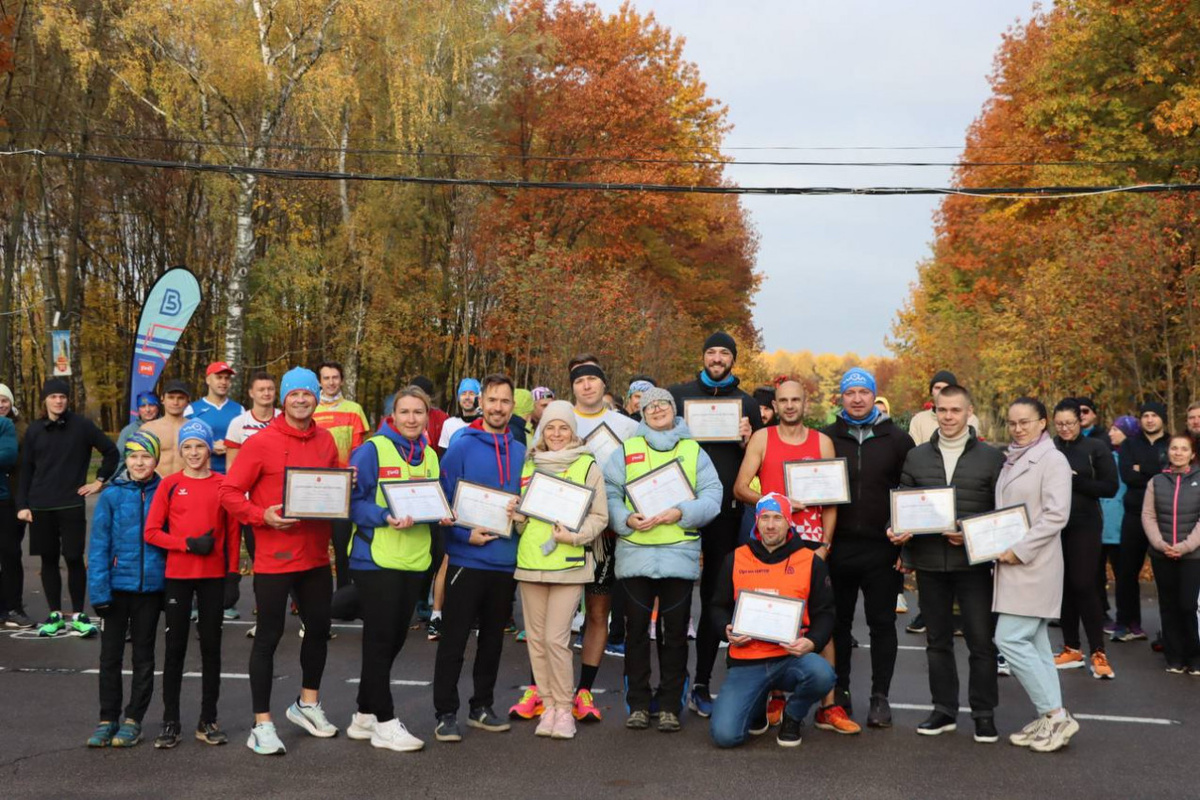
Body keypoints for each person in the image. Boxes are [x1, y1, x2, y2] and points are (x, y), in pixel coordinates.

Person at [219, 367, 341, 756]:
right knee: (269, 637)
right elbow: (229, 492)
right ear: (283, 400)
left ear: (316, 397)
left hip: (316, 555)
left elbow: (336, 484)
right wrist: (262, 516)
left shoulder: (325, 440)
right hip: (274, 556)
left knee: (319, 630)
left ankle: (307, 704)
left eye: (308, 393)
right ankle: (262, 724)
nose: (301, 400)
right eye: (294, 395)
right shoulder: (261, 442)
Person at [732, 378, 853, 733]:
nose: (788, 406)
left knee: (820, 621)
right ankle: (776, 697)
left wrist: (826, 544)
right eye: (782, 400)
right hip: (772, 542)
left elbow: (832, 498)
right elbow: (740, 488)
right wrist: (776, 504)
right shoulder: (762, 438)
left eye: (795, 400)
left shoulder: (822, 441)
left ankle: (829, 707)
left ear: (805, 402)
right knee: (773, 618)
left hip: (812, 543)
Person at [887, 385, 1005, 743]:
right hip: (929, 564)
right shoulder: (917, 456)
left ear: (969, 412)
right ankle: (944, 710)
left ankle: (984, 714)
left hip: (973, 565)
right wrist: (898, 535)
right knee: (937, 642)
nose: (949, 417)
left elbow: (1001, 514)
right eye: (943, 410)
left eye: (956, 410)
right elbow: (904, 503)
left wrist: (969, 534)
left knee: (981, 642)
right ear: (934, 412)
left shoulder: (991, 457)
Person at [603, 387, 722, 733]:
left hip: (678, 556)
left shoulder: (693, 450)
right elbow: (610, 492)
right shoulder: (627, 450)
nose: (656, 410)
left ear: (674, 410)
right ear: (642, 412)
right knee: (635, 634)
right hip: (636, 553)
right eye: (650, 406)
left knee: (675, 636)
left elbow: (713, 496)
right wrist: (624, 518)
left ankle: (670, 704)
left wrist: (680, 512)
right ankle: (638, 704)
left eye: (663, 405)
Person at [668, 332, 763, 718]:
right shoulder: (678, 395)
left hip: (725, 513)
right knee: (674, 598)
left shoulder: (748, 404)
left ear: (733, 360)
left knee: (714, 599)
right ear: (703, 356)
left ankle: (703, 682)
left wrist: (746, 441)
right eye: (712, 351)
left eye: (725, 353)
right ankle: (671, 684)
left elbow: (756, 458)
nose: (718, 358)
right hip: (677, 511)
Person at [345, 386, 445, 753]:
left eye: (418, 412)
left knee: (395, 640)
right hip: (376, 559)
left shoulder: (431, 456)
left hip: (414, 559)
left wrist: (445, 513)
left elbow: (437, 498)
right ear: (393, 415)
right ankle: (385, 722)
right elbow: (350, 502)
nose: (412, 419)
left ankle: (363, 714)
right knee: (380, 640)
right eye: (404, 412)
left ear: (427, 414)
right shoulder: (371, 450)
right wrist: (383, 517)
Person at [432, 374, 526, 743]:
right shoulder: (460, 448)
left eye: (504, 401)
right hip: (467, 560)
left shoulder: (522, 451)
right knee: (454, 640)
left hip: (505, 562)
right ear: (481, 403)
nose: (498, 407)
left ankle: (481, 706)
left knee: (492, 640)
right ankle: (445, 712)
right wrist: (462, 535)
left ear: (511, 407)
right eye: (492, 401)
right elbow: (442, 503)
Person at [509, 400, 608, 739]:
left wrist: (574, 536)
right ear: (541, 430)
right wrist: (516, 514)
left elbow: (600, 517)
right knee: (536, 640)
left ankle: (564, 709)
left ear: (572, 431)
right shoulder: (529, 464)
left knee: (556, 639)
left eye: (563, 427)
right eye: (550, 427)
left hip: (568, 562)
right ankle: (548, 705)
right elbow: (523, 522)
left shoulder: (586, 465)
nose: (556, 433)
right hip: (531, 563)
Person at [821, 367, 914, 726]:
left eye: (863, 392)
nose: (857, 399)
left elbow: (911, 492)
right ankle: (840, 692)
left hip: (882, 550)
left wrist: (905, 546)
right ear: (840, 398)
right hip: (838, 547)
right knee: (838, 625)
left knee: (882, 625)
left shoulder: (898, 439)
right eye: (850, 393)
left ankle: (880, 697)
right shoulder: (828, 437)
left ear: (873, 396)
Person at [709, 493, 837, 748]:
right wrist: (726, 630)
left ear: (789, 522)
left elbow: (826, 613)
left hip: (790, 658)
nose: (770, 525)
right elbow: (717, 607)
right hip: (747, 659)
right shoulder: (735, 558)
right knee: (725, 737)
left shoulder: (810, 561)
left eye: (777, 518)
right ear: (756, 521)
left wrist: (811, 643)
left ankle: (792, 715)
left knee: (823, 674)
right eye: (765, 518)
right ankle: (757, 709)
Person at [143, 419, 240, 749]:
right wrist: (186, 544)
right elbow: (152, 531)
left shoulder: (223, 484)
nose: (194, 452)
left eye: (199, 445)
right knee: (174, 650)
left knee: (211, 650)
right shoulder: (169, 484)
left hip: (213, 578)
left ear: (210, 448)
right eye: (188, 446)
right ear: (181, 450)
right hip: (179, 577)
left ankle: (207, 719)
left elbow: (233, 534)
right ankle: (170, 721)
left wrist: (233, 576)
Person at [994, 397, 1079, 753]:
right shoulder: (1012, 457)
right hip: (1015, 565)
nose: (1018, 428)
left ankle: (1056, 715)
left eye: (1025, 422)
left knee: (1009, 639)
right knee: (1038, 645)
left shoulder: (1053, 460)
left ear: (1043, 423)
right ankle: (1050, 719)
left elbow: (1057, 516)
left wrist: (1020, 550)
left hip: (1034, 565)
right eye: (1012, 423)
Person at [566, 354, 639, 722]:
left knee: (598, 612)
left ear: (604, 385)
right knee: (558, 615)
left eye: (593, 379)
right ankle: (543, 688)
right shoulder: (560, 420)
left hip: (607, 533)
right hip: (563, 531)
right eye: (580, 381)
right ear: (573, 387)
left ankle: (583, 691)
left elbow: (640, 471)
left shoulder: (625, 426)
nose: (587, 385)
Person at [17, 378, 119, 637]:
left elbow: (111, 451)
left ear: (67, 399)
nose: (58, 400)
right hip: (40, 505)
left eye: (62, 396)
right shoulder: (34, 430)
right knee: (48, 559)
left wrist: (98, 481)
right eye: (53, 397)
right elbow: (25, 469)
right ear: (45, 400)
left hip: (71, 503)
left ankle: (77, 614)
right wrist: (22, 505)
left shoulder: (82, 426)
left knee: (73, 558)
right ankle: (54, 614)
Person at [85, 431, 165, 749]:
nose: (139, 462)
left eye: (146, 456)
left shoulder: (165, 492)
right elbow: (99, 546)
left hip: (150, 590)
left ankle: (134, 719)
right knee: (110, 657)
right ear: (125, 460)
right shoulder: (111, 495)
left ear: (155, 459)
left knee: (144, 656)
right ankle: (108, 718)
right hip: (117, 588)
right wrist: (99, 592)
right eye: (133, 456)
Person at [1050, 399, 1119, 678]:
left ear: (1081, 422)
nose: (1065, 429)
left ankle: (1098, 652)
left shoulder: (1096, 447)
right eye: (1060, 424)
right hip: (1055, 525)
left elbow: (1110, 487)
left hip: (1085, 523)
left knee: (1083, 583)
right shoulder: (1049, 448)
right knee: (1063, 585)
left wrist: (1076, 481)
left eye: (1070, 423)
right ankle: (1071, 648)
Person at [222, 371, 280, 621]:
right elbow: (232, 467)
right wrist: (242, 502)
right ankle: (262, 607)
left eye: (270, 389)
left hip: (280, 499)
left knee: (288, 555)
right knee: (260, 557)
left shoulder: (283, 418)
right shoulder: (239, 423)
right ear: (251, 393)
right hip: (252, 504)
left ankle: (295, 605)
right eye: (261, 389)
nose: (266, 393)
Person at [1140, 433, 1200, 674]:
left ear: (1192, 454)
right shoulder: (1156, 481)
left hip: (1193, 555)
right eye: (1174, 448)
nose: (1178, 452)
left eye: (1183, 449)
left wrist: (1184, 546)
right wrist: (1159, 543)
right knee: (1168, 606)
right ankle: (1173, 658)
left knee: (1187, 606)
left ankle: (1194, 656)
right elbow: (1148, 515)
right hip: (1161, 553)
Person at [1113, 401, 1168, 642]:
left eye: (1154, 415)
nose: (1149, 419)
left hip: (1166, 517)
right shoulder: (1129, 444)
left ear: (1162, 419)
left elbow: (1172, 473)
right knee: (1126, 572)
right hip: (1134, 514)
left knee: (1167, 576)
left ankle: (1170, 630)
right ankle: (1128, 622)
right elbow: (1128, 476)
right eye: (1145, 415)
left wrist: (1142, 468)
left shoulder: (1172, 444)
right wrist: (1156, 470)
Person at [312, 361, 370, 592]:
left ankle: (344, 592)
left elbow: (358, 449)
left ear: (342, 380)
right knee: (314, 542)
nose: (331, 382)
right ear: (319, 381)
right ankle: (310, 594)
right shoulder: (310, 408)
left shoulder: (354, 409)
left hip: (344, 487)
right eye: (326, 378)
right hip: (314, 486)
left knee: (342, 541)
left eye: (335, 377)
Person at [1100, 416, 1138, 626]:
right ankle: (1101, 613)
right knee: (1097, 575)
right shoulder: (1106, 456)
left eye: (1116, 429)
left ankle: (1128, 619)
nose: (1110, 433)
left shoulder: (1132, 458)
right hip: (1102, 524)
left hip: (1122, 524)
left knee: (1124, 576)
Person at [0, 385, 29, 628]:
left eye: (4, 400)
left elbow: (8, 456)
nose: (0, 404)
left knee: (10, 552)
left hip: (12, 497)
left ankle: (14, 607)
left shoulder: (16, 427)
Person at [184, 362, 243, 474]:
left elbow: (246, 442)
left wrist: (229, 446)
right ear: (208, 380)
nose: (223, 382)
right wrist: (210, 445)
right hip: (201, 474)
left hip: (231, 474)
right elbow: (184, 442)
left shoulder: (239, 410)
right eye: (219, 377)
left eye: (227, 378)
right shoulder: (192, 409)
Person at [906, 371, 982, 445]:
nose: (941, 391)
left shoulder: (968, 418)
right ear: (931, 391)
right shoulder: (918, 420)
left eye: (946, 388)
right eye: (937, 388)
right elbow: (915, 451)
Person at [141, 380, 192, 477]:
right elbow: (138, 462)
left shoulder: (196, 429)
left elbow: (205, 464)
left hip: (187, 487)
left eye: (180, 398)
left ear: (188, 401)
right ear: (162, 399)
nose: (175, 402)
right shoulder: (149, 429)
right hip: (157, 486)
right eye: (171, 397)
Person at [437, 378, 482, 449]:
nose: (467, 397)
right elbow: (444, 456)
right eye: (463, 393)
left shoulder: (486, 424)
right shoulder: (449, 424)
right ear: (458, 398)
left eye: (471, 393)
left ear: (479, 399)